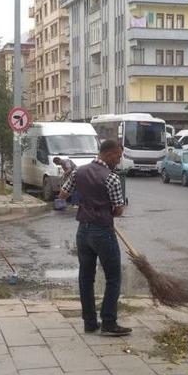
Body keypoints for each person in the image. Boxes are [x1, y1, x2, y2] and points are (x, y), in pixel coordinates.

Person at [58, 139, 131, 336]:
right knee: (113, 278)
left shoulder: (78, 172)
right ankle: (108, 322)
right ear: (108, 154)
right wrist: (104, 208)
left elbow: (63, 194)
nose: (119, 159)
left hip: (83, 231)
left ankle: (89, 322)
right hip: (102, 232)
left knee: (86, 277)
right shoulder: (111, 178)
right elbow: (118, 211)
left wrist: (84, 201)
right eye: (117, 155)